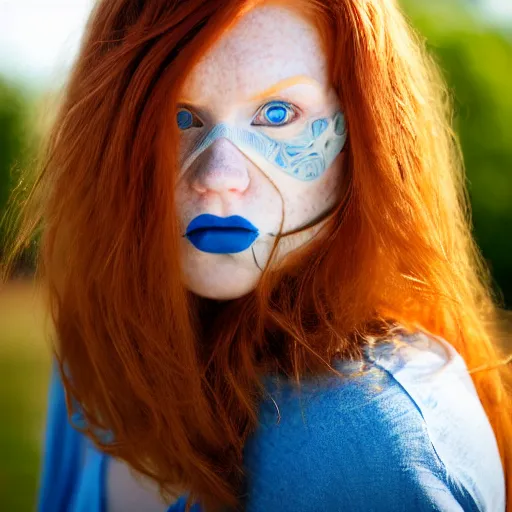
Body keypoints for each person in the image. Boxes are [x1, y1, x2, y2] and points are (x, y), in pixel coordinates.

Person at [3, 0, 511, 510]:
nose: (219, 177)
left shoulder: (364, 438)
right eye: (179, 116)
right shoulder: (99, 353)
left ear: (367, 135)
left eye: (277, 114)